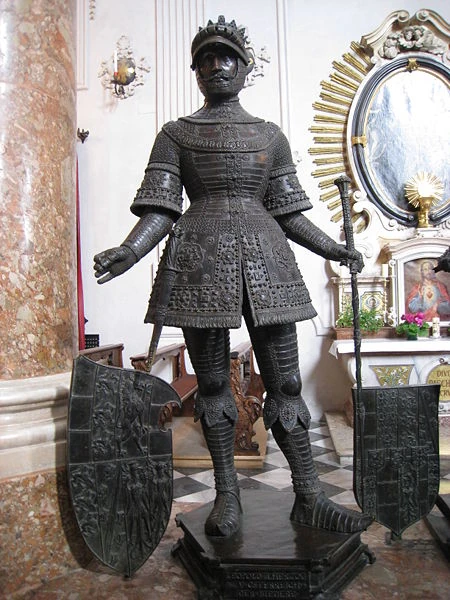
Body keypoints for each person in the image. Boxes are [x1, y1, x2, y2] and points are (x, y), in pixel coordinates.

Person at [94, 16, 372, 538]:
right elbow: (161, 207)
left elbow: (288, 213)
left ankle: (309, 496)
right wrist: (130, 250)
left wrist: (334, 248)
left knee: (287, 383)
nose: (217, 67)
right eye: (206, 60)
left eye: (226, 58)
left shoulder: (270, 136)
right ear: (196, 72)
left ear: (245, 68)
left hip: (269, 260)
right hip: (199, 262)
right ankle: (227, 495)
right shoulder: (175, 134)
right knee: (214, 385)